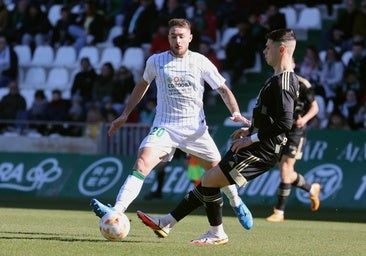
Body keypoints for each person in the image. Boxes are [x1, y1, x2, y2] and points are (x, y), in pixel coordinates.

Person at [137, 28, 301, 245]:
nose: (264, 51)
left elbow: (285, 123)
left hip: (262, 151)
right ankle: (167, 223)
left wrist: (250, 139)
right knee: (209, 180)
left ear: (281, 49)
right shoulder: (280, 78)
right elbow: (272, 118)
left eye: (268, 47)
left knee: (210, 181)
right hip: (257, 145)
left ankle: (212, 232)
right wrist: (250, 129)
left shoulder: (283, 82)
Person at [90, 18, 253, 231]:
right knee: (142, 163)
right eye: (173, 36)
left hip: (195, 130)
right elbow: (142, 85)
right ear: (168, 38)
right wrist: (125, 114)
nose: (177, 40)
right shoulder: (156, 61)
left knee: (218, 174)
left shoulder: (200, 61)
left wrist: (235, 112)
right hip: (164, 126)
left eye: (182, 36)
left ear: (190, 38)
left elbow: (223, 89)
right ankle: (117, 211)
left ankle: (236, 202)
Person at [266, 61, 321, 222]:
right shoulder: (274, 83)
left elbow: (315, 108)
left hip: (296, 131)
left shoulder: (303, 84)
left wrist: (304, 119)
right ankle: (312, 188)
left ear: (294, 65)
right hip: (281, 131)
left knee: (285, 169)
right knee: (287, 172)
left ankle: (279, 212)